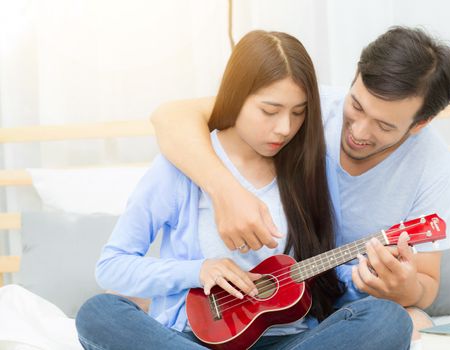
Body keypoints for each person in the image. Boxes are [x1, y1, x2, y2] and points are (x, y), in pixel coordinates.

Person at [75, 30, 412, 350]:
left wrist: (362, 279)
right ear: (235, 97)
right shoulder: (180, 166)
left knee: (389, 318)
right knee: (99, 312)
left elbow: (326, 275)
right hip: (192, 340)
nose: (285, 128)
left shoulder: (312, 168)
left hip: (291, 341)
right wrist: (198, 270)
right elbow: (112, 266)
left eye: (298, 113)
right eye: (270, 111)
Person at [150, 26, 450, 340]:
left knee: (406, 321)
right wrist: (227, 193)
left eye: (384, 125)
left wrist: (405, 288)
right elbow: (170, 116)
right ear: (355, 76)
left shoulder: (434, 166)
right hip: (272, 306)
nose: (360, 132)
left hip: (344, 311)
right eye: (356, 106)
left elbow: (426, 285)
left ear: (420, 123)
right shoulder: (302, 109)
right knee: (113, 308)